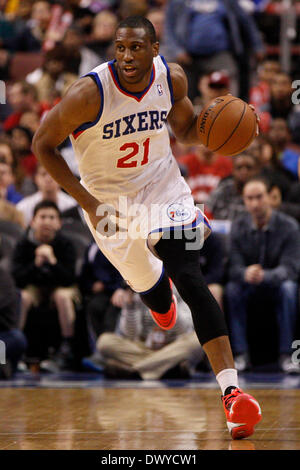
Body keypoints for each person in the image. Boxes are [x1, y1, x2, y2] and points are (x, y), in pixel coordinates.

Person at [32, 15, 261, 439]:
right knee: (149, 285)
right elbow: (42, 145)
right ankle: (158, 299)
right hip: (108, 203)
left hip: (163, 190)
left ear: (155, 49)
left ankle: (232, 395)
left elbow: (188, 130)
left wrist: (224, 129)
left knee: (189, 274)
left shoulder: (171, 79)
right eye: (119, 48)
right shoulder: (87, 93)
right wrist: (87, 202)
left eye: (136, 47)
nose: (126, 56)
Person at [226, 176, 300, 373]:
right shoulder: (238, 226)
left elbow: (291, 268)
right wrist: (245, 273)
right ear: (244, 200)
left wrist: (265, 276)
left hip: (276, 285)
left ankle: (287, 355)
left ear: (270, 197)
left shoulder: (289, 226)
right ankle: (240, 354)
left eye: (259, 197)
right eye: (249, 198)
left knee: (290, 289)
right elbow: (233, 268)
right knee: (232, 289)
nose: (255, 203)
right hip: (248, 285)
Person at [11, 200, 78, 369]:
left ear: (59, 223)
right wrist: (36, 264)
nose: (47, 221)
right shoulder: (23, 244)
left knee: (62, 296)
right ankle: (16, 347)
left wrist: (53, 262)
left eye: (51, 217)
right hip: (34, 287)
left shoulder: (66, 244)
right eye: (42, 217)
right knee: (23, 297)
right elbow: (17, 279)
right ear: (32, 221)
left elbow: (70, 279)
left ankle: (66, 348)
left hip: (60, 287)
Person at [97, 288, 204, 380]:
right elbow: (131, 335)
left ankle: (134, 370)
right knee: (105, 342)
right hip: (143, 346)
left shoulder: (179, 289)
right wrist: (130, 306)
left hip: (172, 345)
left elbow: (184, 329)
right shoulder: (137, 289)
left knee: (198, 341)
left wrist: (168, 307)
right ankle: (166, 368)